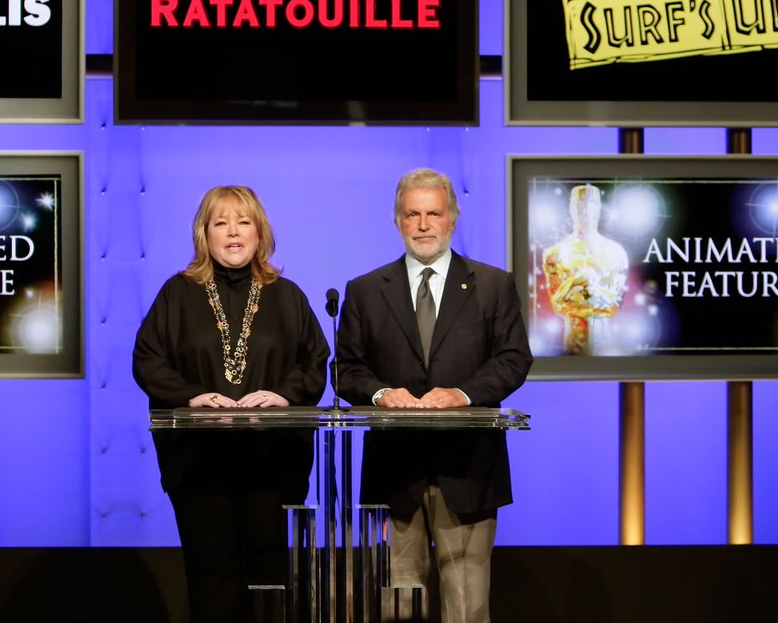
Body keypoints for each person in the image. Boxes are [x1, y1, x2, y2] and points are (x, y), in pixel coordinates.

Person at [336, 168, 533, 623]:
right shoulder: (365, 290)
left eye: (434, 214)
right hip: (394, 470)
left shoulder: (492, 285)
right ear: (397, 221)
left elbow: (513, 359)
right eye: (412, 214)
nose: (423, 225)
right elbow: (346, 369)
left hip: (468, 468)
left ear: (452, 220)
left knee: (467, 607)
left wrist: (463, 394)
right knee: (399, 607)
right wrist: (381, 393)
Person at [133, 185, 329, 623]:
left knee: (269, 577)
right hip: (200, 463)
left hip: (272, 461)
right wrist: (189, 396)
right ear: (205, 234)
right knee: (212, 578)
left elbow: (315, 359)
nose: (234, 232)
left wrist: (285, 395)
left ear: (260, 232)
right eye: (221, 223)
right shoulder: (177, 293)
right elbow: (147, 359)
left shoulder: (288, 295)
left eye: (244, 222)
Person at [542, 183, 630, 355]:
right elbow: (557, 304)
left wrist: (585, 291)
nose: (585, 211)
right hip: (573, 340)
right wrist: (578, 280)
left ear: (599, 208)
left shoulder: (615, 252)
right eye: (580, 204)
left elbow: (615, 304)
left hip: (604, 341)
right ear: (571, 208)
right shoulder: (555, 253)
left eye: (591, 204)